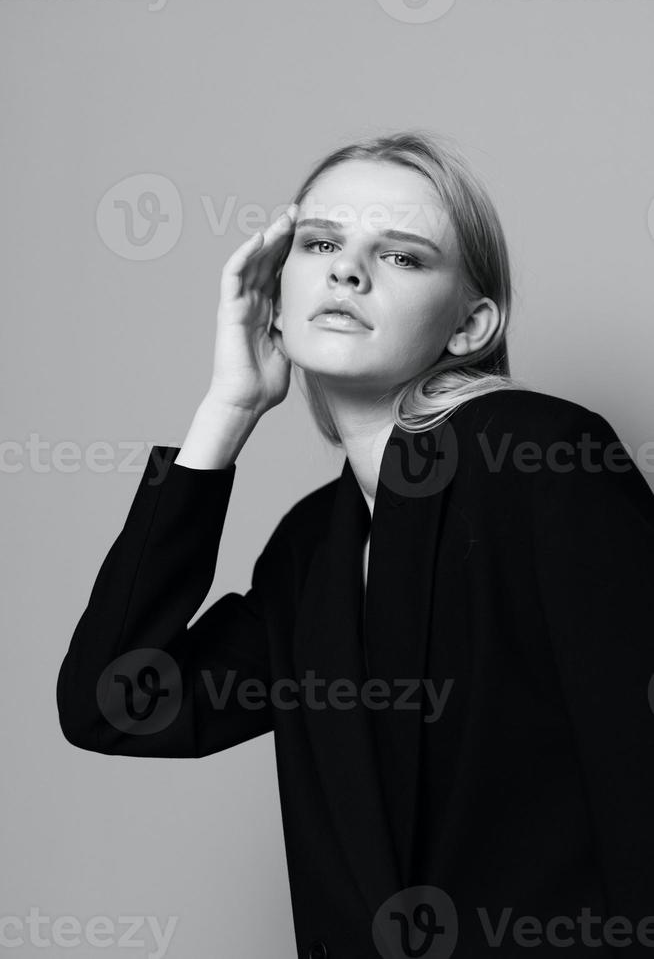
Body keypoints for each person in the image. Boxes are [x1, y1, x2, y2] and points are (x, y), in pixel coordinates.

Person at [57, 131, 654, 959]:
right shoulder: (310, 549)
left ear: (471, 322)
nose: (347, 271)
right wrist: (223, 416)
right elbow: (109, 708)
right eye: (321, 243)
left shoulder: (543, 458)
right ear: (277, 283)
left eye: (403, 257)